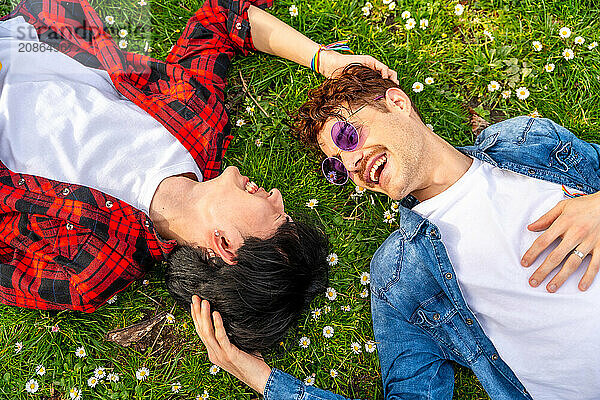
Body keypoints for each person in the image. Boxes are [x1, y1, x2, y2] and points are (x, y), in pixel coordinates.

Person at [0, 0, 395, 354]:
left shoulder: (90, 268)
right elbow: (223, 17)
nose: (276, 194)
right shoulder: (199, 122)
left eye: (279, 217)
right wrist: (326, 61)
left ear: (225, 245)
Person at [192, 65, 600, 399]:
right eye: (337, 167)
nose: (351, 167)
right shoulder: (399, 276)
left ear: (398, 103)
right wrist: (265, 381)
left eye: (347, 136)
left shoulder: (526, 142)